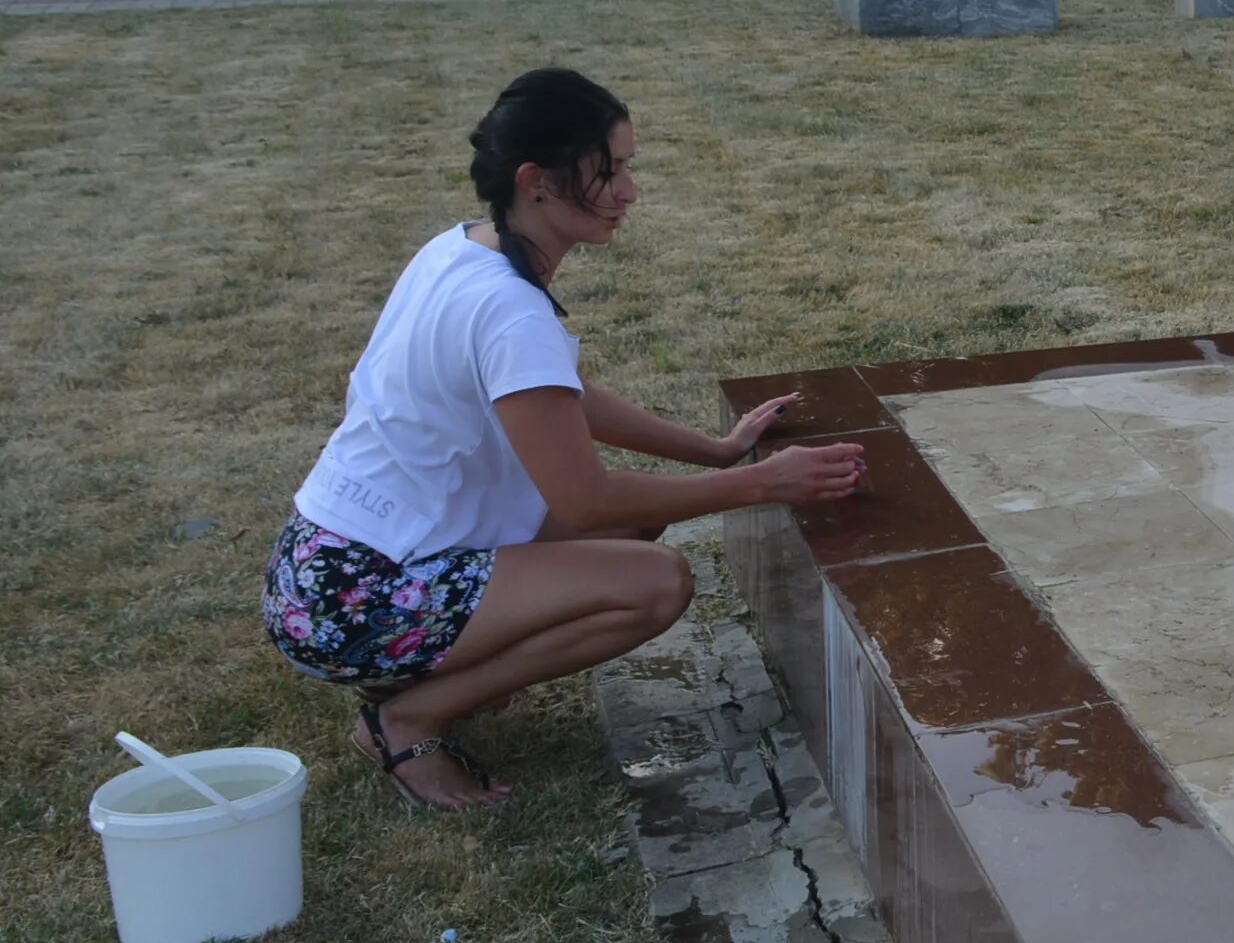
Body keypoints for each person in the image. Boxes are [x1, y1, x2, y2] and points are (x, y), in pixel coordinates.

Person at [267, 68, 866, 811]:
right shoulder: (509, 308)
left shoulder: (461, 248)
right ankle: (407, 717)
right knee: (655, 582)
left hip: (322, 565)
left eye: (629, 167)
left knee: (640, 517)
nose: (629, 191)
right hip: (356, 599)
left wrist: (715, 450)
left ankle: (432, 672)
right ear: (536, 182)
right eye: (607, 172)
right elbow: (583, 503)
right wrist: (761, 484)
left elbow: (561, 396)